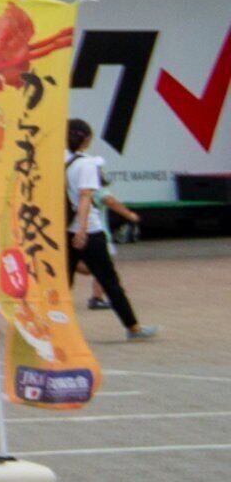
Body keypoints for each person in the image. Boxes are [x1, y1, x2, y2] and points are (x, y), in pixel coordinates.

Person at [65, 121, 157, 340]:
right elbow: (85, 196)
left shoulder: (62, 161)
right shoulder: (87, 164)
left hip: (65, 230)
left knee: (62, 283)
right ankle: (133, 327)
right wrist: (83, 229)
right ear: (87, 139)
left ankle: (51, 330)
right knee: (109, 280)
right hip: (89, 231)